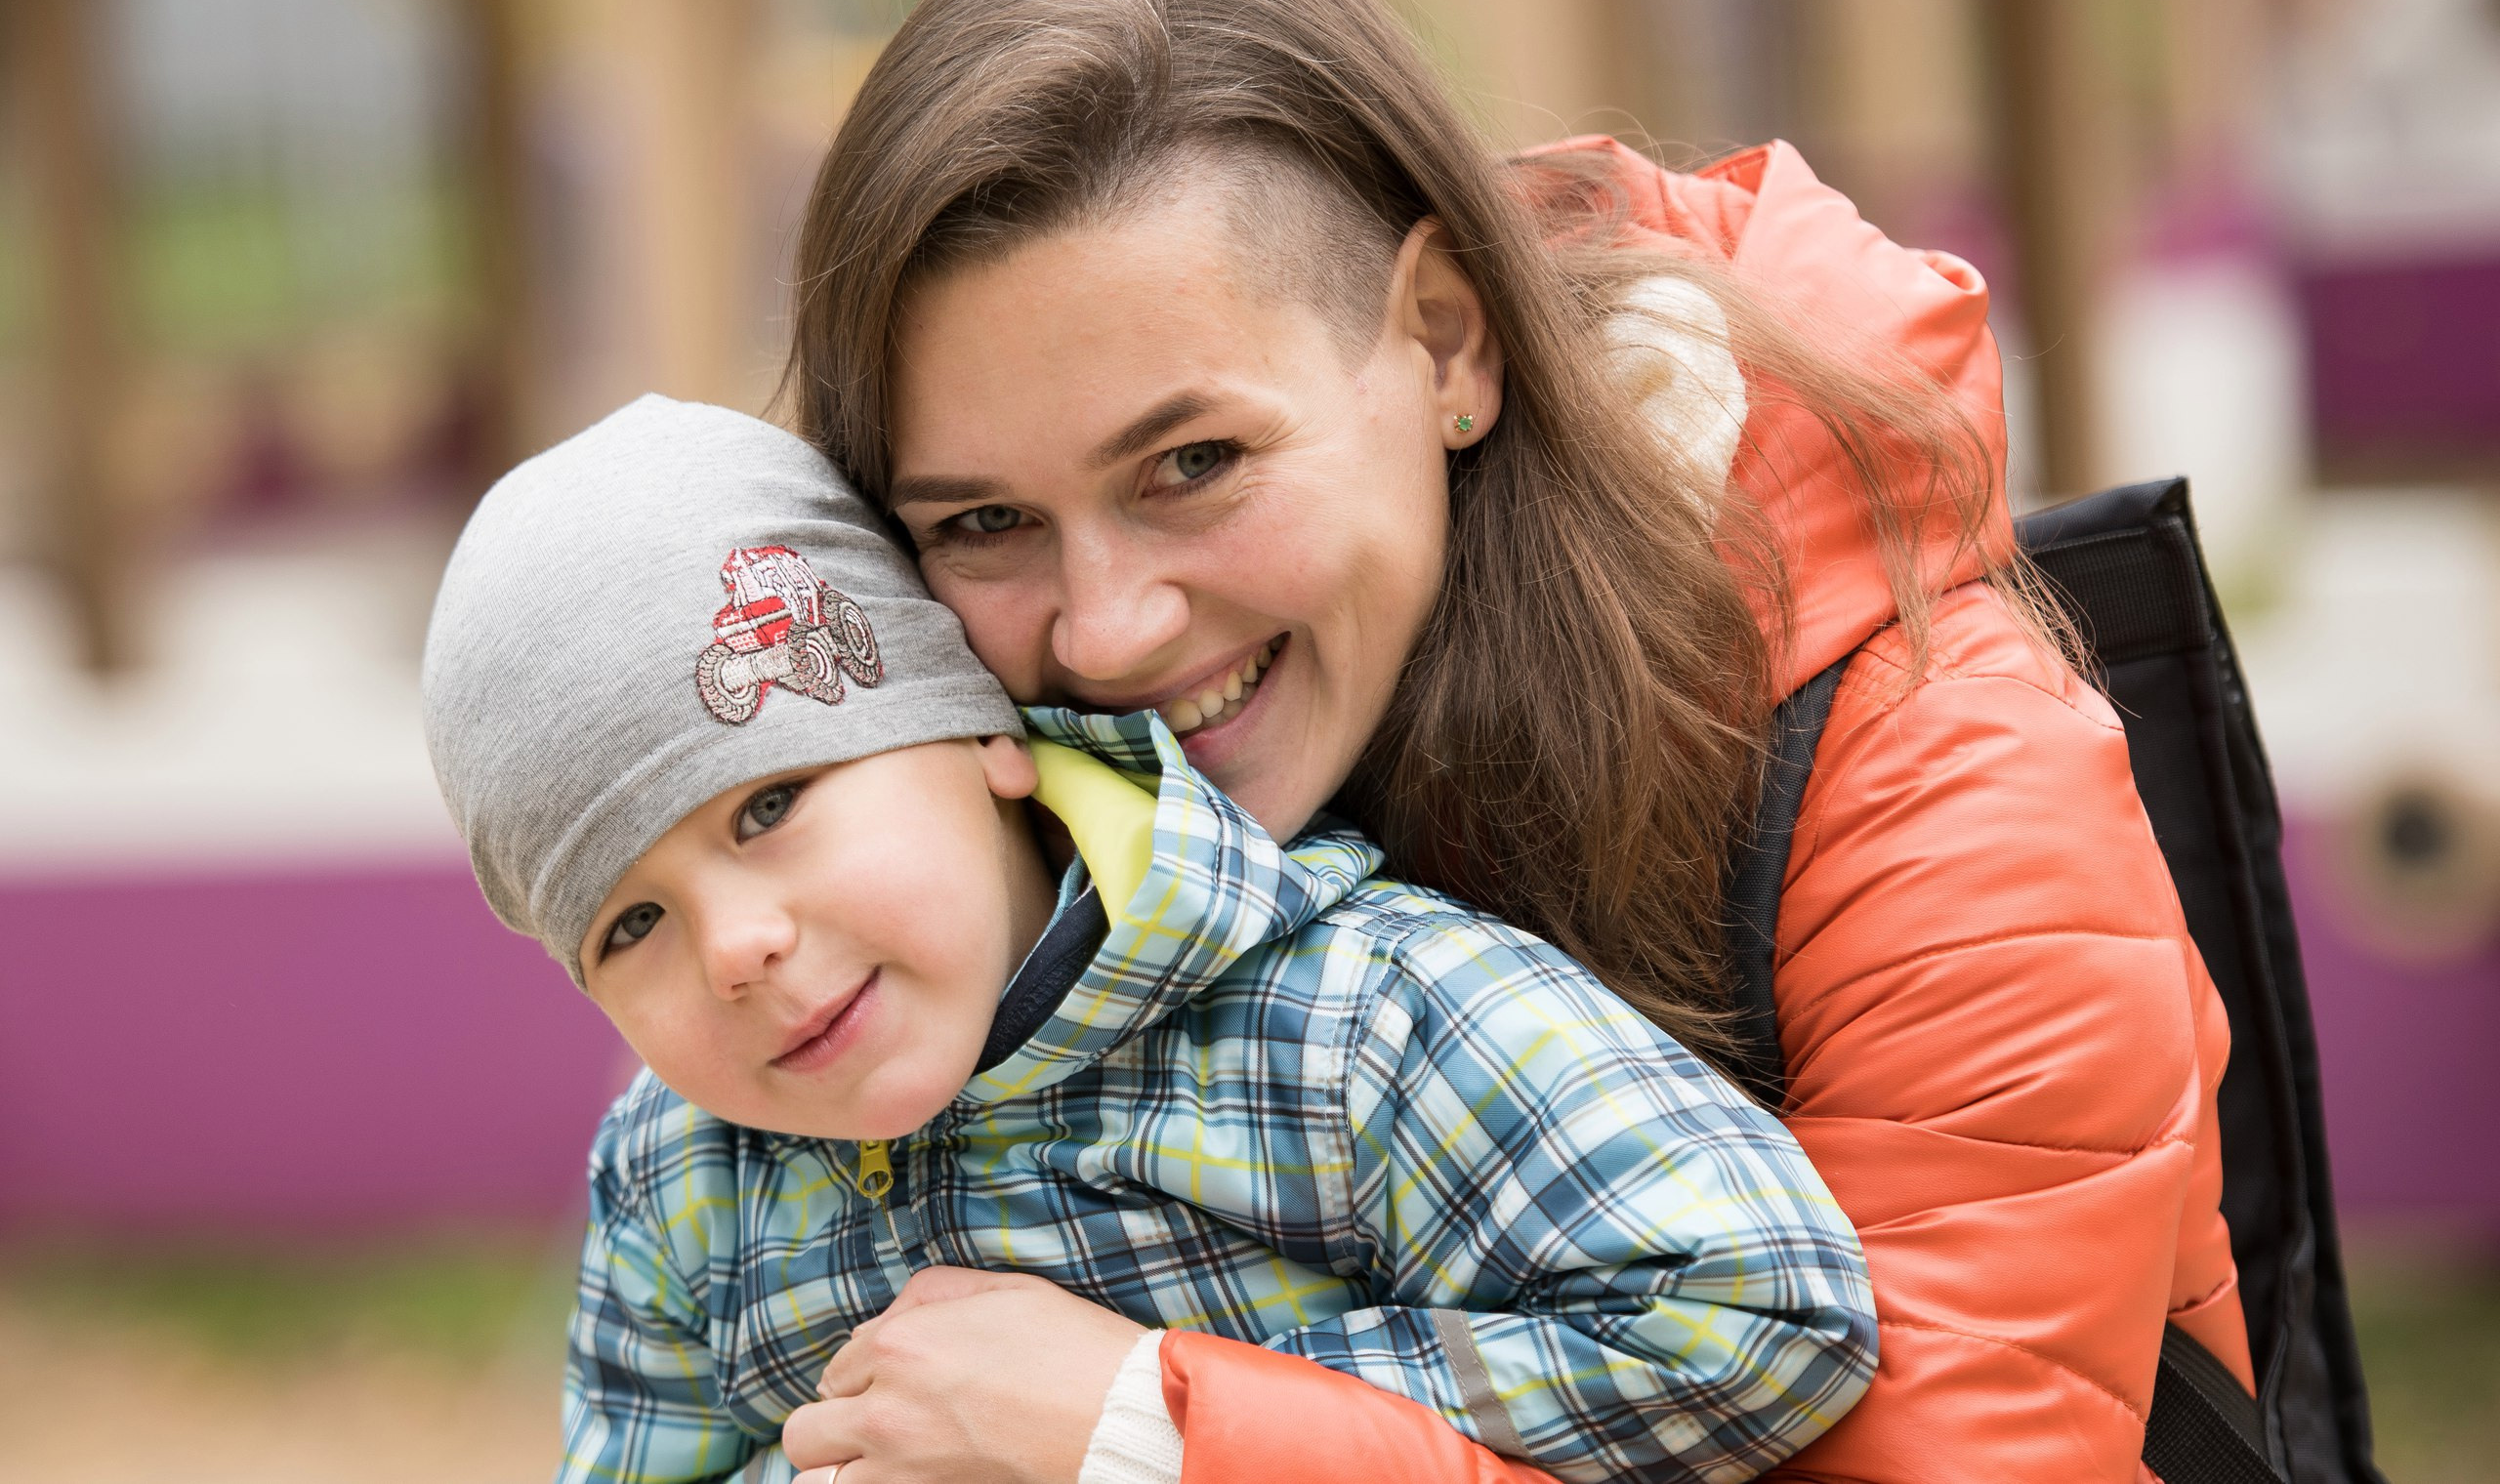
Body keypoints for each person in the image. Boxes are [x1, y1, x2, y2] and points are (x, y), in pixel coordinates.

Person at [771, 0, 2249, 1484]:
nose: (1110, 633)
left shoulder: (1939, 779)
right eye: (985, 522)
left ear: (1450, 341)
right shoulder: (972, 847)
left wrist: (1165, 1434)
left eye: (1193, 463)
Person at [418, 395, 1878, 1484]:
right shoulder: (681, 1186)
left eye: (771, 806)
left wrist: (1151, 1415)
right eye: (631, 925)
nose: (733, 947)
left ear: (976, 730)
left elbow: (1759, 1315)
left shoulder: (1355, 1016)